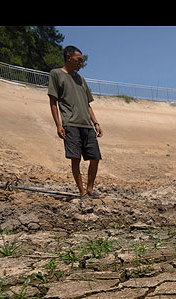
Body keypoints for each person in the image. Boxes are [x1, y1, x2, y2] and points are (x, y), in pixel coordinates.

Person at [48, 45, 103, 200]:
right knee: (75, 159)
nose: (81, 64)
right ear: (68, 57)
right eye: (79, 60)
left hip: (87, 124)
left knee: (95, 158)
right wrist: (58, 124)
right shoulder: (56, 74)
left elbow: (87, 104)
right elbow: (53, 101)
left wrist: (96, 123)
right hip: (70, 124)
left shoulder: (81, 79)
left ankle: (90, 188)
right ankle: (82, 192)